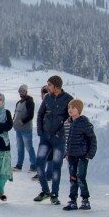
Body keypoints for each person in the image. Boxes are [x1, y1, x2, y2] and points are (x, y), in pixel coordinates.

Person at [34, 75, 73, 205]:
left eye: (49, 85)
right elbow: (40, 114)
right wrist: (40, 132)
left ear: (56, 86)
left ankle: (54, 194)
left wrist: (60, 133)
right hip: (45, 137)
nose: (47, 87)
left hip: (59, 139)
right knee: (39, 164)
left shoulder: (68, 99)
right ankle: (45, 191)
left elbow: (70, 120)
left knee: (56, 167)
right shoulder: (47, 98)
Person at [62, 99, 97, 211]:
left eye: (73, 108)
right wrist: (66, 153)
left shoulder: (84, 123)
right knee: (73, 178)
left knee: (80, 177)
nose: (70, 110)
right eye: (69, 108)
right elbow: (66, 140)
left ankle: (85, 200)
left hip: (82, 156)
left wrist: (89, 155)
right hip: (71, 156)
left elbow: (92, 139)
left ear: (79, 110)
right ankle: (73, 201)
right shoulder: (67, 123)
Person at [12, 84, 37, 172]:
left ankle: (33, 166)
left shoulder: (29, 101)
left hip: (26, 129)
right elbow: (15, 114)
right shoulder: (18, 103)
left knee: (29, 147)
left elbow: (31, 115)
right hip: (18, 129)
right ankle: (19, 165)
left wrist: (23, 121)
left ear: (26, 91)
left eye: (22, 91)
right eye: (19, 91)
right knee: (20, 148)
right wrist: (13, 121)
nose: (21, 93)